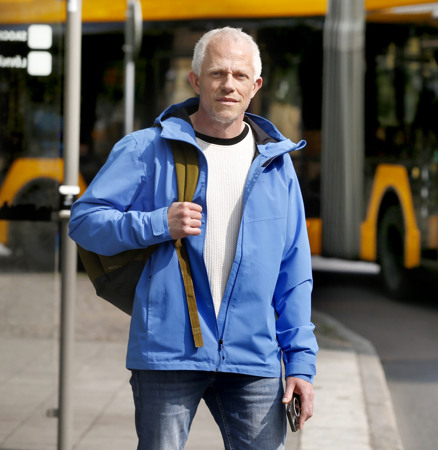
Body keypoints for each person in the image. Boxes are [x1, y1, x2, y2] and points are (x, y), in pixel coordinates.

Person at [69, 27, 317, 449]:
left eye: (240, 75)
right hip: (168, 352)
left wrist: (300, 365)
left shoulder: (277, 165)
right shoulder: (146, 148)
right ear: (195, 80)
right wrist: (156, 223)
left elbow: (293, 274)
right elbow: (84, 221)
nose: (228, 85)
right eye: (217, 73)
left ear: (256, 86)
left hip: (252, 358)